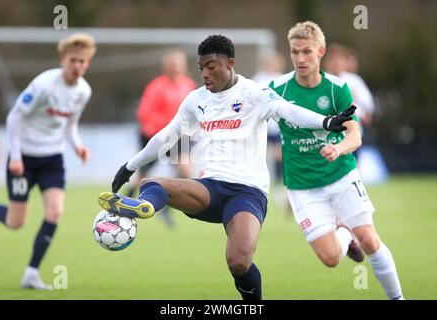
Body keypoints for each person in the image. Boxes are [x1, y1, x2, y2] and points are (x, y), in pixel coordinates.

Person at [97, 35, 354, 300]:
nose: (205, 74)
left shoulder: (254, 93)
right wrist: (130, 166)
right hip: (209, 189)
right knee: (151, 183)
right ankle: (147, 206)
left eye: (211, 66)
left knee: (238, 262)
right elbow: (167, 136)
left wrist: (325, 122)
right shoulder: (196, 101)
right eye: (201, 68)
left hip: (247, 193)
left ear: (229, 63)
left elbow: (287, 111)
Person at [269, 21, 404, 300]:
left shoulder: (337, 88)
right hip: (302, 187)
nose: (300, 59)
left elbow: (355, 135)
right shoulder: (276, 89)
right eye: (295, 52)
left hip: (341, 176)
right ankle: (345, 233)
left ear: (321, 51)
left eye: (307, 51)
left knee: (369, 239)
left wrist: (339, 149)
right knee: (331, 258)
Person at [0, 33, 96, 290]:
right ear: (63, 60)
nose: (77, 66)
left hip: (52, 159)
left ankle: (31, 274)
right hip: (23, 158)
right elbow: (14, 118)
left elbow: (70, 124)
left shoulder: (83, 91)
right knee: (16, 222)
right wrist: (15, 157)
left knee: (55, 212)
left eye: (82, 61)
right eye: (73, 60)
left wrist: (77, 145)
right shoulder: (44, 85)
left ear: (87, 63)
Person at [128, 49, 196, 228]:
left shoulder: (188, 85)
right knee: (141, 175)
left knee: (186, 170)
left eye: (178, 63)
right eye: (171, 63)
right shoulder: (156, 86)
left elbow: (195, 111)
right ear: (165, 66)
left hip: (179, 136)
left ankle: (168, 205)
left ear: (184, 66)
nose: (175, 66)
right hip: (155, 136)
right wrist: (162, 125)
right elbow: (144, 112)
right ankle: (125, 200)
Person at [251, 52, 287, 210]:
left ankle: (279, 188)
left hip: (276, 126)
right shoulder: (257, 79)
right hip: (260, 125)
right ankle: (255, 185)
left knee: (279, 156)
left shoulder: (282, 79)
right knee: (257, 156)